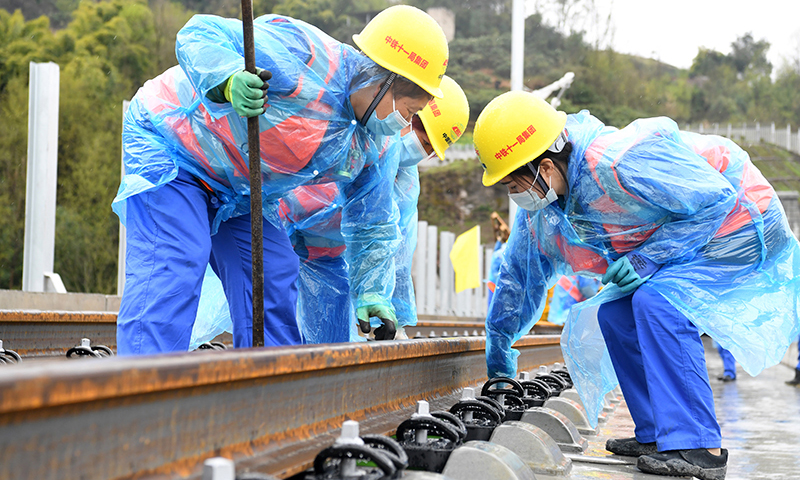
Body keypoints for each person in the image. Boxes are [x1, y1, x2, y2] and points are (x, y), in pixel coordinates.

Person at [473, 91, 800, 480]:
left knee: (657, 302)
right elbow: (518, 280)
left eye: (514, 183)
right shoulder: (550, 214)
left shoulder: (619, 162)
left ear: (544, 168)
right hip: (698, 237)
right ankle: (661, 434)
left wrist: (649, 257)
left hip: (743, 222)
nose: (514, 196)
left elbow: (715, 201)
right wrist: (499, 358)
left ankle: (702, 447)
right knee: (615, 313)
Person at [113, 5, 449, 354]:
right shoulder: (306, 57)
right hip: (175, 147)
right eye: (408, 112)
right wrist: (227, 79)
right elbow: (200, 33)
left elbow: (372, 223)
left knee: (271, 273)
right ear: (385, 80)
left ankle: (268, 394)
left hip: (238, 190)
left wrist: (372, 292)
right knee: (179, 261)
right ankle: (142, 394)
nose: (402, 125)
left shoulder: (375, 146)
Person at [278, 75, 469, 342]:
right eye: (425, 144)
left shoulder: (405, 183)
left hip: (325, 259)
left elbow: (396, 251)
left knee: (321, 348)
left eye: (430, 151)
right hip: (278, 230)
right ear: (409, 116)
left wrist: (395, 318)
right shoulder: (354, 134)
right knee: (258, 319)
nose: (424, 154)